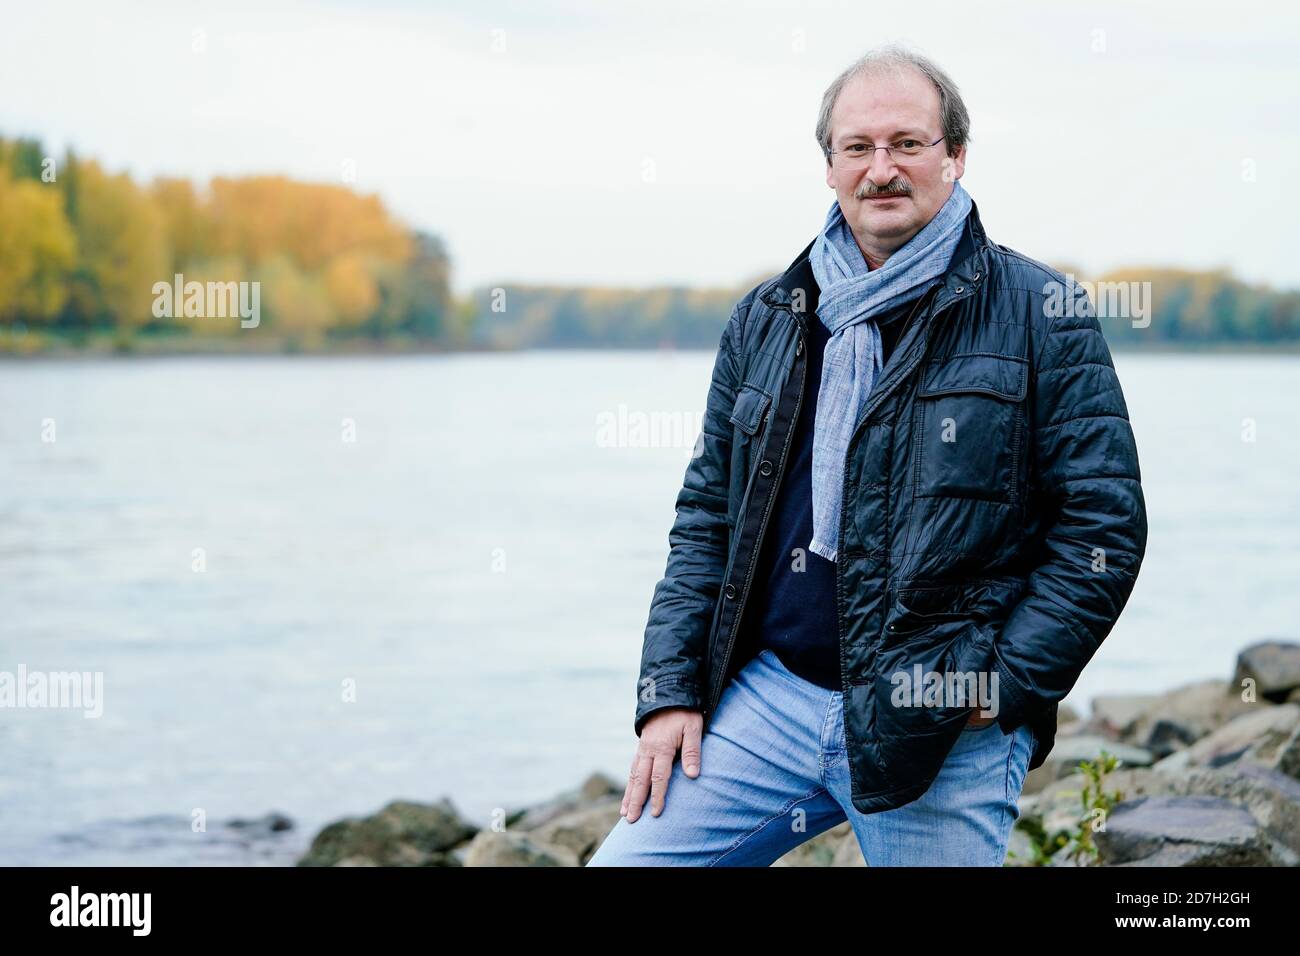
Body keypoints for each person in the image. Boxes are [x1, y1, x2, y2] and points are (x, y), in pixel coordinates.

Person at [587, 44, 1147, 866]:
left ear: (954, 157)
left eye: (907, 144)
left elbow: (1102, 530)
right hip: (770, 701)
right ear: (830, 167)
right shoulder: (769, 317)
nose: (881, 169)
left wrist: (1004, 685)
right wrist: (669, 692)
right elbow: (706, 518)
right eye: (858, 147)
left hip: (939, 728)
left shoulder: (1041, 312)